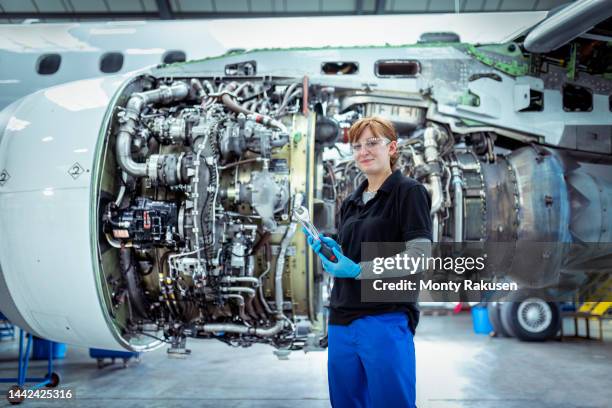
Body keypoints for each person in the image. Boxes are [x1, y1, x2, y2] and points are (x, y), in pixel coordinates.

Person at [302, 116, 432, 408]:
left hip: (384, 319)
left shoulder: (408, 193)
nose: (364, 151)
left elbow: (419, 257)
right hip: (341, 320)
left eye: (373, 143)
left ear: (393, 148)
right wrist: (333, 250)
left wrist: (360, 270)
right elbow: (350, 256)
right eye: (357, 145)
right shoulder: (352, 201)